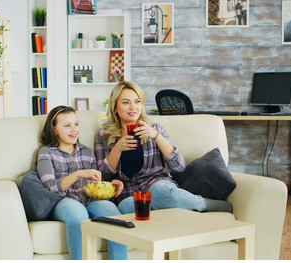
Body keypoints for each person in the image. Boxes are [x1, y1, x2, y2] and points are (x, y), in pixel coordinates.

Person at [94, 81, 232, 213]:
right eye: (125, 102)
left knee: (161, 193)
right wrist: (117, 148)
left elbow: (179, 167)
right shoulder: (104, 135)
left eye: (137, 102)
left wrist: (156, 136)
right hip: (129, 193)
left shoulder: (155, 128)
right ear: (115, 107)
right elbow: (102, 177)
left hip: (157, 185)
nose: (133, 107)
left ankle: (204, 204)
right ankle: (172, 207)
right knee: (125, 207)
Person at [36, 105, 128, 260]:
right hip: (63, 200)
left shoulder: (87, 152)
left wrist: (110, 186)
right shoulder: (46, 152)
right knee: (78, 216)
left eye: (76, 124)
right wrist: (78, 174)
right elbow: (50, 187)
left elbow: (94, 184)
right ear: (54, 129)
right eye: (67, 125)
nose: (74, 129)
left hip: (88, 199)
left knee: (114, 215)